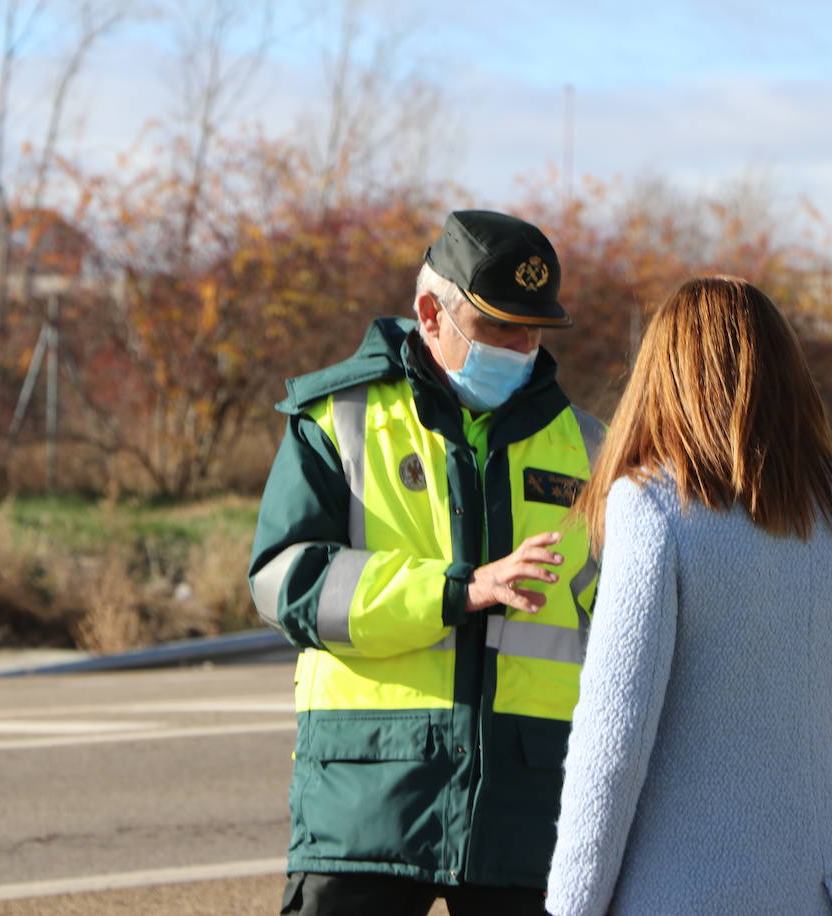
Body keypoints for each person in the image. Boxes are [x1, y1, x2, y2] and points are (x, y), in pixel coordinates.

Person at [248, 209, 604, 915]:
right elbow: (286, 580)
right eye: (499, 325)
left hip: (530, 810)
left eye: (533, 329)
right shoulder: (335, 417)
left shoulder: (589, 446)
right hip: (371, 798)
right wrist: (458, 590)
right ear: (429, 313)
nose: (522, 345)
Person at [546, 277, 832, 916]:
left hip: (682, 894)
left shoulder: (655, 505)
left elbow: (613, 744)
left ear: (668, 372)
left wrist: (571, 908)